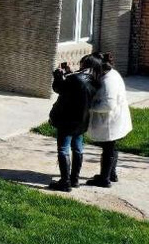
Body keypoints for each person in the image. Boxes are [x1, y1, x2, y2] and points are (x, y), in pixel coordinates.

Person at [47, 54, 102, 192]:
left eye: (81, 63)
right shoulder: (95, 81)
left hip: (67, 120)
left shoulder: (74, 79)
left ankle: (64, 182)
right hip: (82, 121)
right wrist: (70, 74)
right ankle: (74, 179)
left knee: (63, 149)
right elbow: (79, 87)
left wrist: (58, 75)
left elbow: (58, 88)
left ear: (85, 64)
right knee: (78, 149)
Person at [86, 52, 132, 188]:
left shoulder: (108, 81)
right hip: (116, 120)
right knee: (111, 148)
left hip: (111, 122)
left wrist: (90, 106)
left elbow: (108, 105)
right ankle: (111, 173)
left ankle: (104, 179)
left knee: (108, 150)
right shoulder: (112, 74)